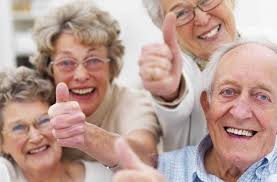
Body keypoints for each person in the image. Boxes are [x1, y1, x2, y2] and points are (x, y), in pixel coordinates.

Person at [113, 39, 277, 181]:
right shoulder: (157, 171)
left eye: (262, 97)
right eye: (228, 92)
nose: (240, 113)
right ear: (206, 105)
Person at [31, 0, 160, 168]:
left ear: (111, 65)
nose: (81, 75)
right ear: (49, 69)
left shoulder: (133, 102)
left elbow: (146, 156)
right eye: (66, 63)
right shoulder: (38, 105)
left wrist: (85, 135)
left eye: (93, 60)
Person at [140, 0, 238, 151]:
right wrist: (170, 94)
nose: (202, 19)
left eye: (206, 1)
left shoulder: (270, 47)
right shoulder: (170, 74)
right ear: (162, 26)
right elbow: (175, 108)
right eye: (181, 13)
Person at [0, 67, 112, 182]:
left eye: (44, 121)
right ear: (2, 143)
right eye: (18, 128)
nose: (36, 137)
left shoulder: (105, 177)